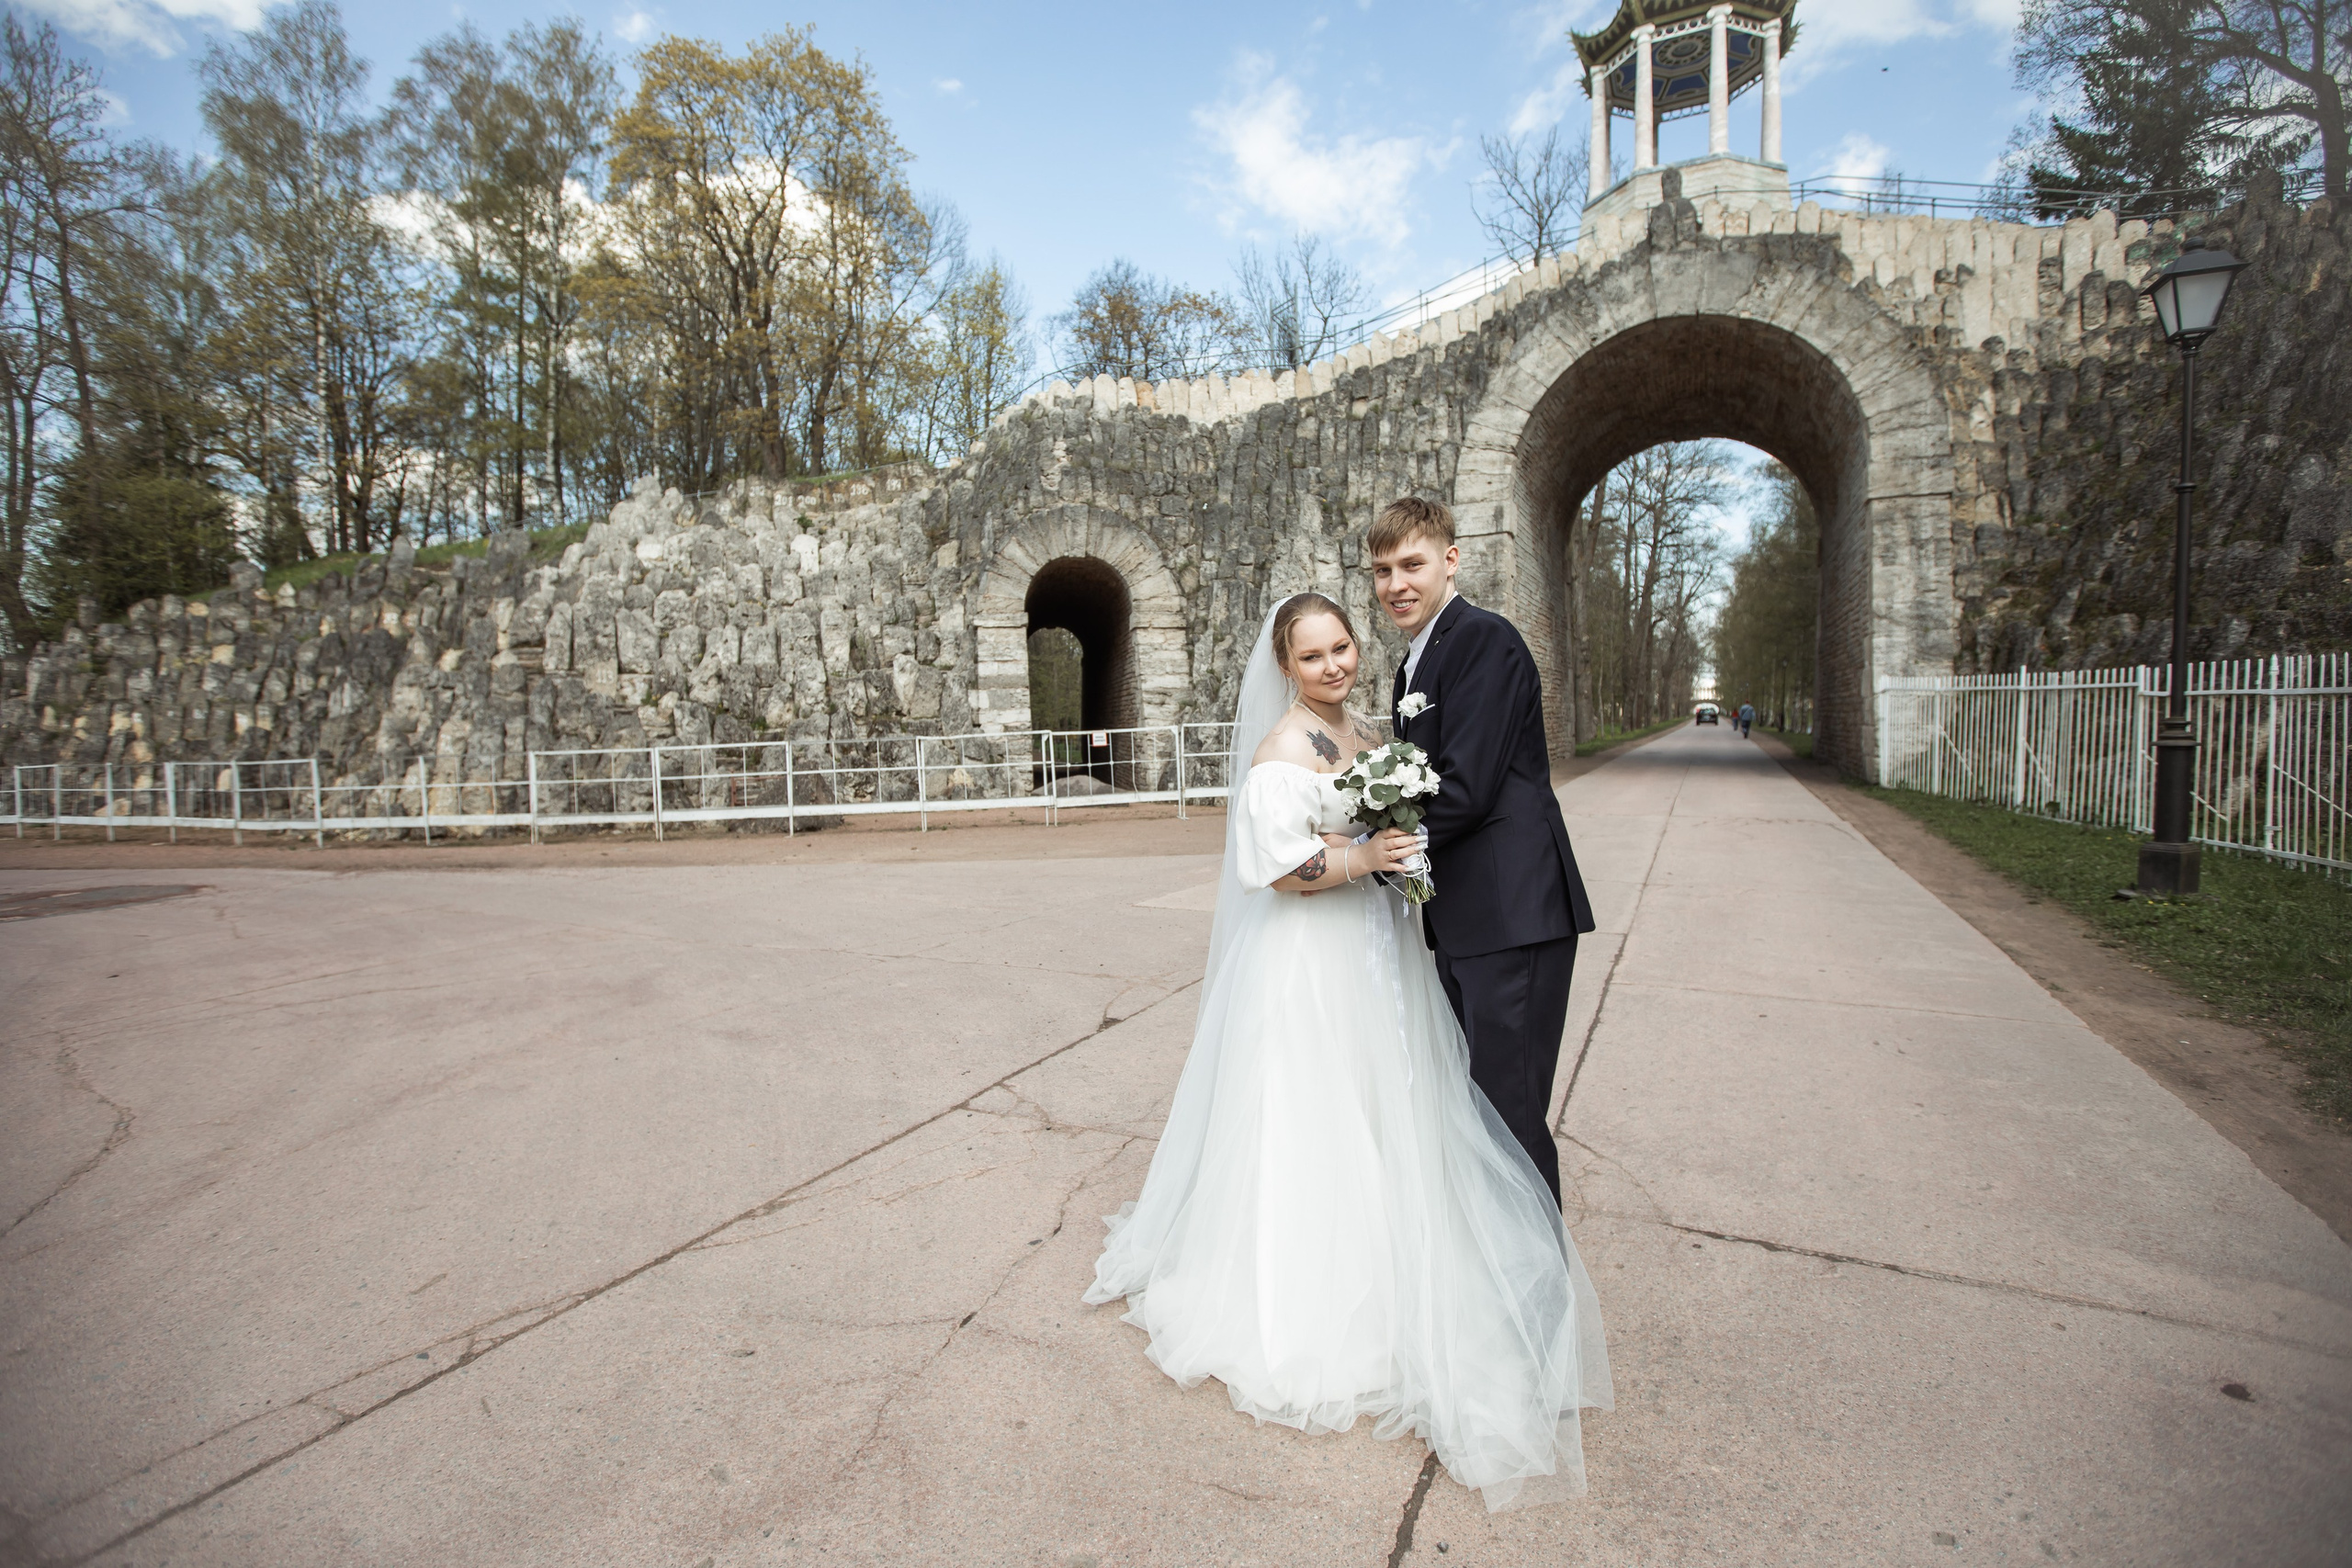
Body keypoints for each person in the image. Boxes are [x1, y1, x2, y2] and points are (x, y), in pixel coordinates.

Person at [1084, 590, 1612, 1510]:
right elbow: (1288, 874)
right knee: (1318, 1111)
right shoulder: (1280, 754)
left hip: (1383, 953)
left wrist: (1395, 852)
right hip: (1315, 961)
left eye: (1340, 649)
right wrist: (1369, 858)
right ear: (1284, 667)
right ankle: (1316, 1297)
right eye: (1312, 656)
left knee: (1397, 1103)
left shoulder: (1369, 732)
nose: (1332, 667)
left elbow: (1409, 814)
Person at [1370, 497, 1595, 1207]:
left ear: (1450, 560)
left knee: (1510, 1121)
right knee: (1478, 1115)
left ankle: (1539, 1305)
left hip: (1512, 917)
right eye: (1382, 571)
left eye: (1412, 564)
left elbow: (1466, 787)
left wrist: (1381, 850)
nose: (1396, 583)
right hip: (1466, 922)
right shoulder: (1416, 662)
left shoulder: (1485, 640)